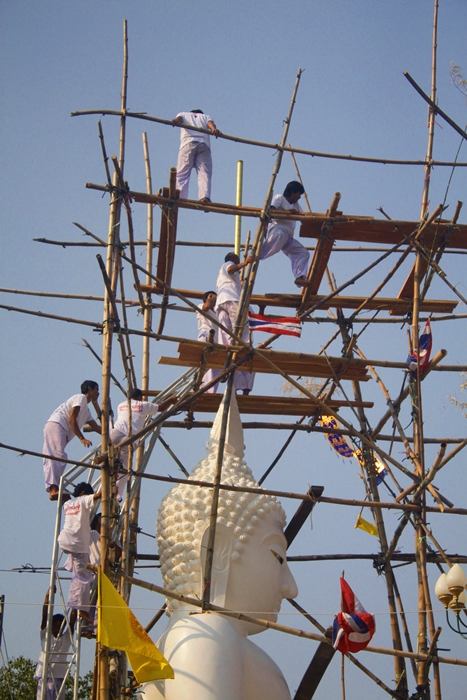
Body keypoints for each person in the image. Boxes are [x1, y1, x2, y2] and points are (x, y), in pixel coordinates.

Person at [141, 394, 298, 700]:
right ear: (218, 553)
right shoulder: (205, 637)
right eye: (277, 557)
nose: (290, 587)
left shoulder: (189, 638)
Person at [42, 381, 101, 500]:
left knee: (59, 456)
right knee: (56, 455)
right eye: (96, 389)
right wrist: (82, 438)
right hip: (57, 425)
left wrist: (112, 432)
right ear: (89, 389)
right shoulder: (80, 398)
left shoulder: (87, 411)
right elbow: (72, 420)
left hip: (62, 431)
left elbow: (98, 428)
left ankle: (55, 487)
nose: (98, 393)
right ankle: (53, 489)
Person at [57, 482, 101, 624]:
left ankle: (77, 604)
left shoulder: (68, 504)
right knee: (83, 577)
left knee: (77, 574)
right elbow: (99, 496)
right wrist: (110, 488)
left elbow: (65, 498)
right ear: (83, 493)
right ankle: (81, 609)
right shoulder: (83, 500)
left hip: (65, 540)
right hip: (76, 543)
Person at [110, 389, 163, 499]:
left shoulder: (121, 405)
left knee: (110, 464)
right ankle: (117, 494)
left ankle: (103, 489)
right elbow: (161, 408)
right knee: (125, 468)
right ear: (140, 397)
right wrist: (172, 400)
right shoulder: (142, 405)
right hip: (127, 439)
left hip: (114, 434)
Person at [216, 253, 255, 395]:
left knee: (225, 330)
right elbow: (231, 268)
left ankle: (228, 348)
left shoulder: (226, 277)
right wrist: (245, 263)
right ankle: (242, 345)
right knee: (241, 325)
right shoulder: (227, 265)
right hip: (231, 299)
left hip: (222, 302)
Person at [259, 181, 311, 287]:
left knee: (303, 253)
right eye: (298, 194)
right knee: (279, 236)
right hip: (277, 230)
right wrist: (288, 213)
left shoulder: (296, 205)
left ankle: (300, 277)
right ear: (292, 192)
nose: (299, 197)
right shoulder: (279, 198)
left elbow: (304, 219)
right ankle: (256, 255)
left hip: (288, 237)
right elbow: (271, 211)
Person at [35, 589, 76, 699]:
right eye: (56, 625)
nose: (58, 628)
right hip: (43, 674)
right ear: (51, 625)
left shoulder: (67, 638)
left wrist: (76, 603)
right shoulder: (46, 636)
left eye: (61, 626)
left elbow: (72, 621)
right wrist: (48, 594)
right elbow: (45, 615)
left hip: (59, 676)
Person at [172, 109, 219, 203]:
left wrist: (175, 121)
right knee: (204, 173)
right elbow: (210, 124)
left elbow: (179, 119)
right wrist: (214, 130)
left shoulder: (183, 114)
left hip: (188, 143)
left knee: (183, 172)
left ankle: (180, 195)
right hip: (203, 145)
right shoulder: (205, 116)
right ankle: (204, 197)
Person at [196, 290, 219, 394]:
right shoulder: (201, 306)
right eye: (212, 297)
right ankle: (197, 384)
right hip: (205, 335)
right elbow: (205, 308)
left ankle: (203, 388)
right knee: (202, 364)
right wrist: (210, 299)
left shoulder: (217, 314)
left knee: (210, 369)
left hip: (215, 341)